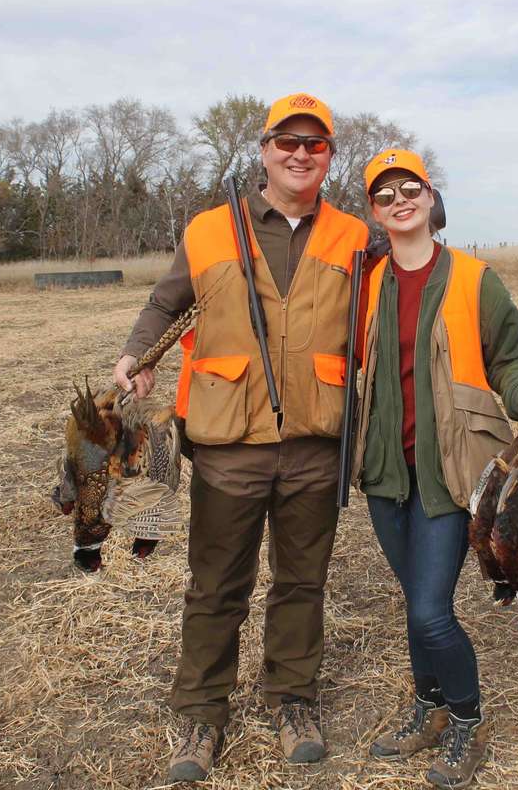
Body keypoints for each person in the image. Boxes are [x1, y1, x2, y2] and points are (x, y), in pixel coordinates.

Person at [112, 92, 369, 783]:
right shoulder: (206, 229)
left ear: (329, 158)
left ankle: (292, 700)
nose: (299, 154)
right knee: (217, 583)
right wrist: (138, 356)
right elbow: (166, 302)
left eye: (314, 144)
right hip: (228, 441)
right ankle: (200, 712)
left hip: (318, 439)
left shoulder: (355, 236)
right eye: (287, 141)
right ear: (263, 151)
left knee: (301, 583)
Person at [351, 149, 518, 789]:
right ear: (374, 212)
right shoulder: (366, 284)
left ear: (430, 197)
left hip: (448, 471)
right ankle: (430, 708)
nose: (398, 201)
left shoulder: (473, 278)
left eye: (409, 188)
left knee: (429, 611)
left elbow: (512, 353)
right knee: (415, 601)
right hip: (387, 470)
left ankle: (467, 719)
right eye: (384, 195)